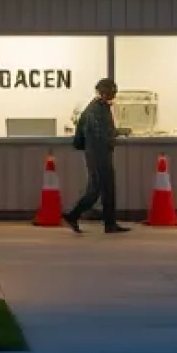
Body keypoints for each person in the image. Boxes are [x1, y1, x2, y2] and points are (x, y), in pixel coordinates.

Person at [64, 77, 133, 235]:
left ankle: (107, 222)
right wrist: (111, 140)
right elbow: (99, 132)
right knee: (100, 189)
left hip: (96, 153)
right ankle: (77, 215)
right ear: (104, 92)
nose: (114, 95)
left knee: (103, 188)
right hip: (98, 154)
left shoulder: (97, 108)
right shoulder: (97, 109)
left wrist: (118, 132)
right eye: (112, 92)